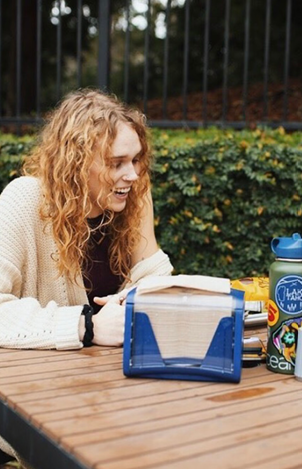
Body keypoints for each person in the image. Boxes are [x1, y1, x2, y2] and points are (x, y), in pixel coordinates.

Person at [0, 89, 173, 351]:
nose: (133, 175)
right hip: (37, 381)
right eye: (116, 163)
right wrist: (87, 326)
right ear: (76, 163)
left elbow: (154, 283)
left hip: (113, 377)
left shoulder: (132, 199)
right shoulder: (24, 199)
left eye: (136, 160)